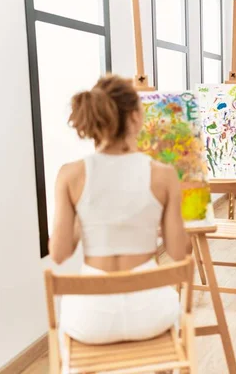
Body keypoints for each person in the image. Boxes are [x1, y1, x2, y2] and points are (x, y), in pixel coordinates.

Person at [49, 75, 191, 364]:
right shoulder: (163, 175)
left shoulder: (70, 175)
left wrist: (85, 217)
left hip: (91, 320)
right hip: (150, 314)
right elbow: (179, 253)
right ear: (137, 117)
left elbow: (60, 253)